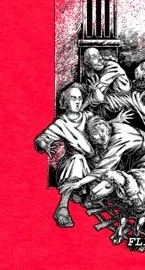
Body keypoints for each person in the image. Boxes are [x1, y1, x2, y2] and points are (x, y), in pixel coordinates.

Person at [33, 84, 107, 228]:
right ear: (65, 101)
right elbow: (41, 139)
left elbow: (102, 126)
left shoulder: (88, 116)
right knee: (78, 159)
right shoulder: (61, 123)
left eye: (79, 98)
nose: (77, 101)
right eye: (73, 98)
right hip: (71, 164)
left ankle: (88, 194)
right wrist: (44, 144)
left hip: (92, 163)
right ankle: (62, 208)